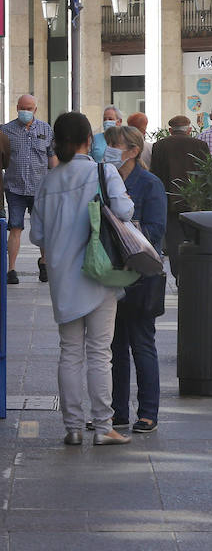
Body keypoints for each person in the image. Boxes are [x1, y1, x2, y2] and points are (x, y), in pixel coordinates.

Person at [30, 111, 136, 446]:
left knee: (70, 352)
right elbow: (124, 212)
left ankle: (73, 427)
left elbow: (37, 235)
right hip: (100, 273)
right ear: (89, 140)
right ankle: (104, 427)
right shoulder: (103, 172)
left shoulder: (49, 181)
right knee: (99, 352)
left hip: (63, 278)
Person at [105, 124, 167, 434]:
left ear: (132, 150)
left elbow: (157, 232)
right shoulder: (105, 182)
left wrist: (127, 225)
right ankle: (117, 411)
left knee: (142, 343)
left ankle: (148, 412)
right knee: (114, 347)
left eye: (115, 145)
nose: (109, 151)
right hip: (112, 273)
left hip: (142, 274)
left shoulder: (150, 184)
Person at [3, 94, 57, 284]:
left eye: (29, 108)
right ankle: (11, 269)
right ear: (17, 107)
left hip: (40, 188)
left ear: (35, 109)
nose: (25, 111)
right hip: (14, 187)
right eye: (22, 108)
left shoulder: (45, 129)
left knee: (42, 228)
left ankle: (44, 263)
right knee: (15, 227)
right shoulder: (6, 131)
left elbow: (52, 157)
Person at [150, 115, 211, 279]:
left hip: (170, 202)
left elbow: (155, 174)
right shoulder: (201, 145)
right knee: (195, 240)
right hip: (195, 202)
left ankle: (179, 276)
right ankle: (194, 275)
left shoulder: (160, 146)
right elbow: (207, 174)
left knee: (174, 241)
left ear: (170, 130)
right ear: (189, 129)